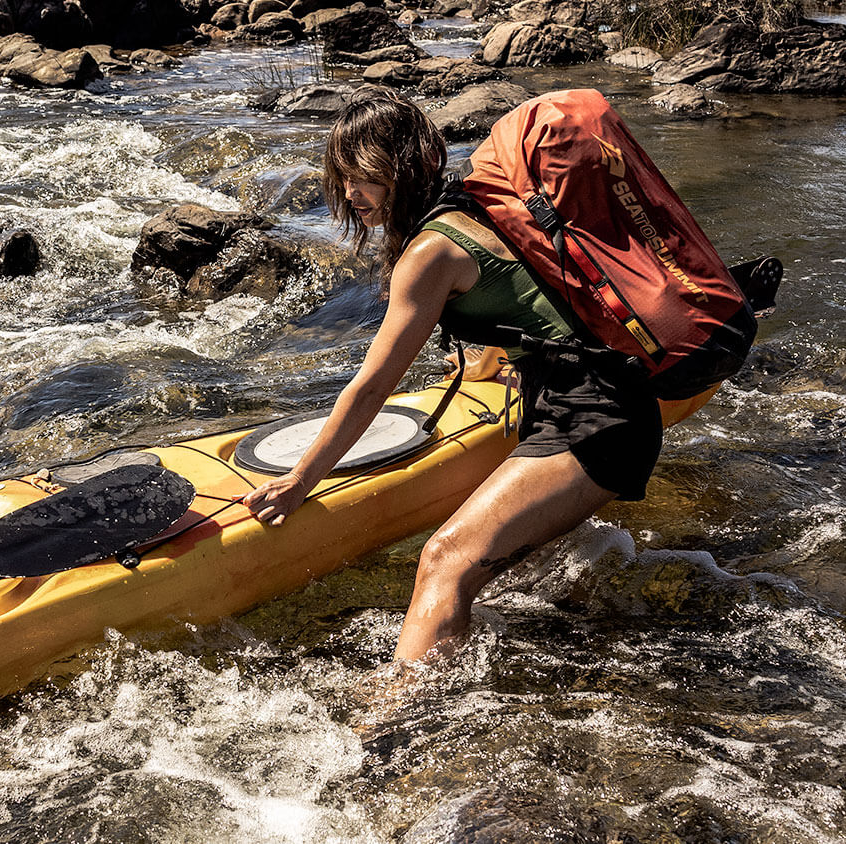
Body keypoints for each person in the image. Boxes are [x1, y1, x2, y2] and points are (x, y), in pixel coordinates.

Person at [241, 88, 703, 662]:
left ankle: (394, 724)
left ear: (402, 169)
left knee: (445, 561)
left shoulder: (430, 253)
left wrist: (300, 482)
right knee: (523, 574)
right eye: (343, 177)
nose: (352, 194)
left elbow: (371, 385)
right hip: (595, 400)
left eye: (363, 176)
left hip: (596, 419)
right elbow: (530, 304)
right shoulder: (479, 201)